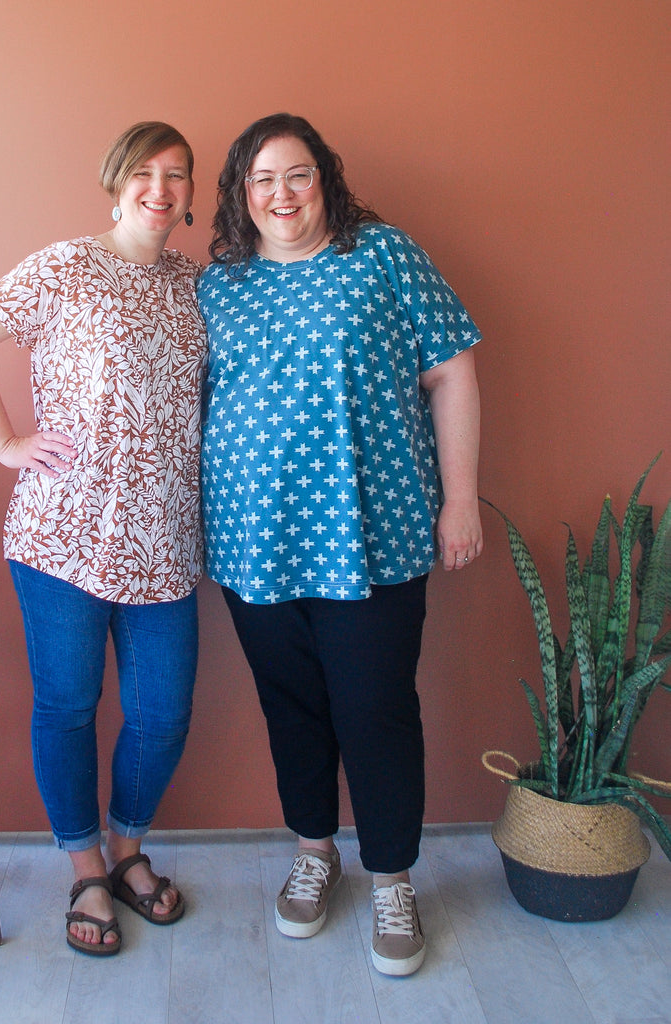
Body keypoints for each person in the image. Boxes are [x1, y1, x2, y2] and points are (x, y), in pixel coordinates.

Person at [198, 113, 482, 977]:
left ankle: (391, 877)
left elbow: (451, 370)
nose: (280, 194)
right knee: (291, 706)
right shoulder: (219, 285)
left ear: (324, 178)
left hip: (375, 531)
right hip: (253, 537)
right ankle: (313, 852)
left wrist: (459, 499)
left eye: (297, 175)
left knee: (375, 709)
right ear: (240, 194)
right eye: (261, 180)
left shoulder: (383, 255)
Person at [0, 122, 206, 957]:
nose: (159, 188)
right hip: (63, 536)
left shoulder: (193, 283)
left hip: (165, 539)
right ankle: (85, 868)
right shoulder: (66, 266)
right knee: (66, 706)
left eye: (176, 175)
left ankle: (127, 849)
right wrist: (4, 442)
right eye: (143, 172)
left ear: (191, 194)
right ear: (115, 182)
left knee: (162, 714)